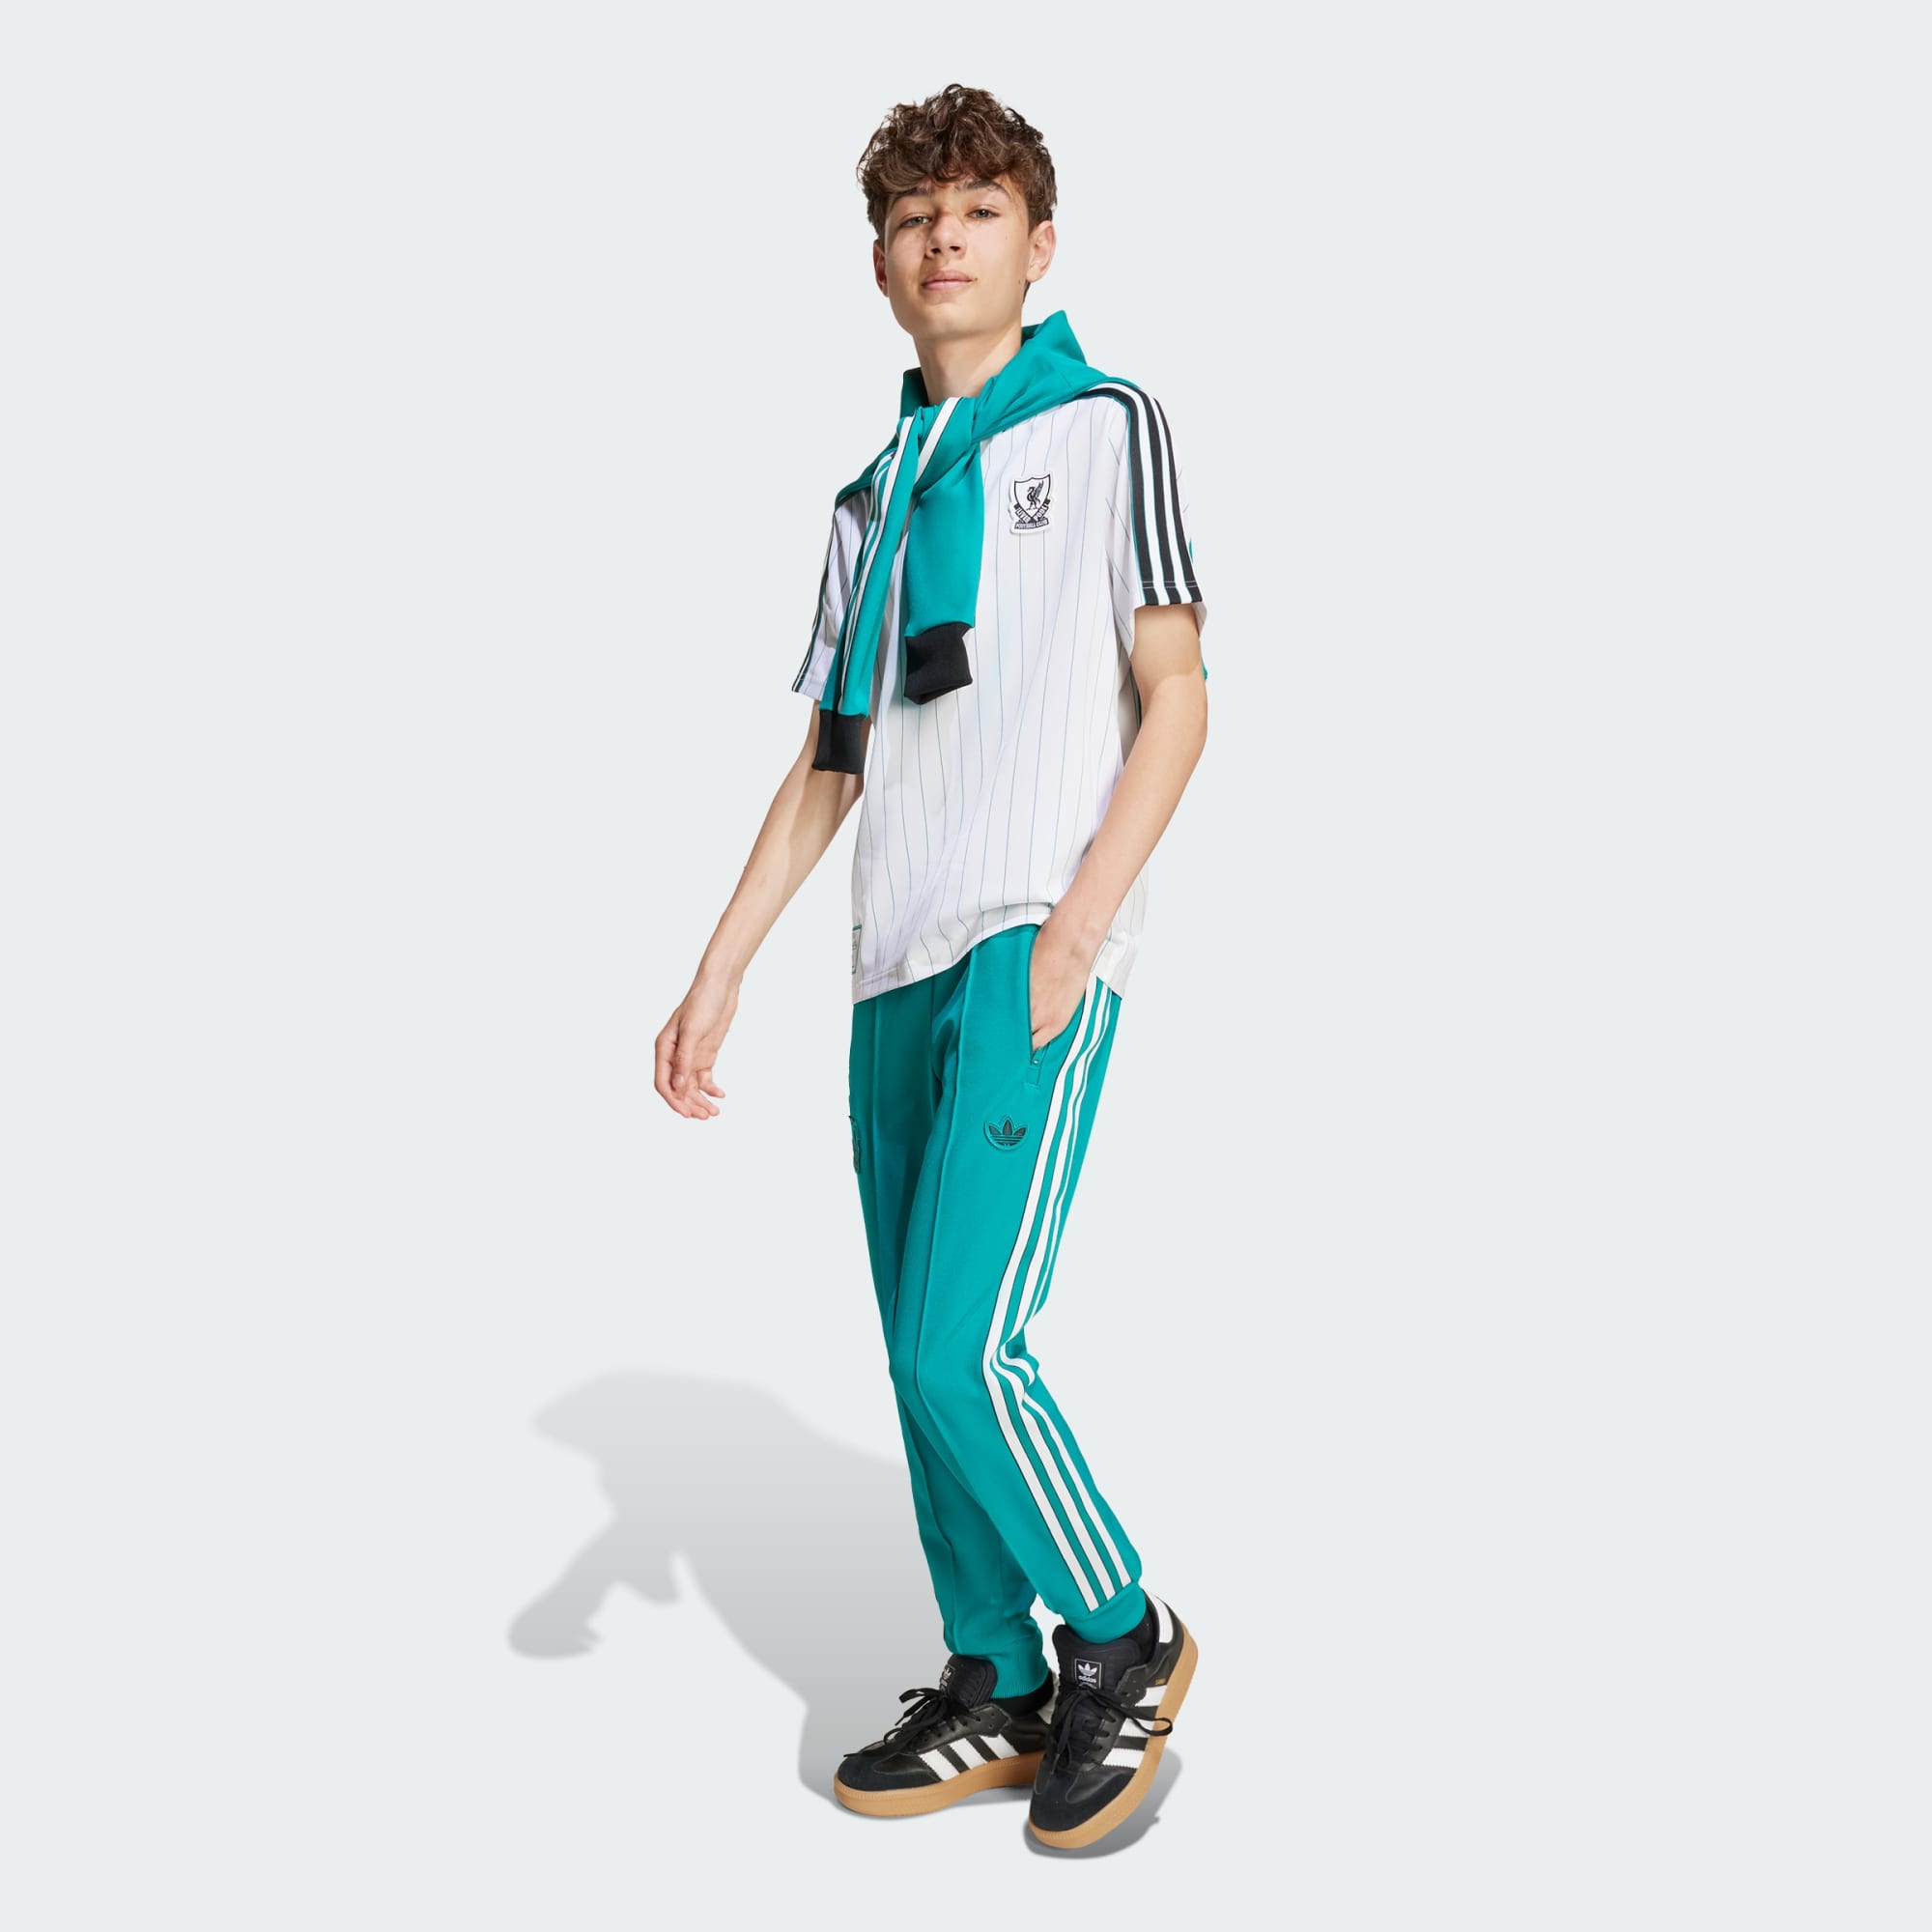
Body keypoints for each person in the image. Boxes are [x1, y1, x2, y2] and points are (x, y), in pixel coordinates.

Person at [654, 82, 1210, 1851]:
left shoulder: (1108, 426)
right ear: (882, 267)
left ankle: (1120, 1633)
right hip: (890, 957)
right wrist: (721, 972)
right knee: (913, 1355)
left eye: (977, 210)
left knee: (970, 1341)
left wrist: (1078, 924)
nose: (942, 238)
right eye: (913, 218)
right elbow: (833, 757)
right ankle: (996, 1676)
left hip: (1027, 933)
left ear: (1038, 248)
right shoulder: (868, 501)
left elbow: (1179, 693)